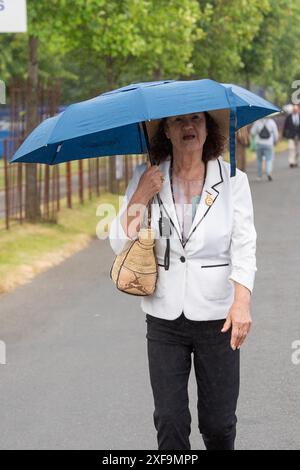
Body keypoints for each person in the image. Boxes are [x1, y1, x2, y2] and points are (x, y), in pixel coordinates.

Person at [109, 112, 257, 451]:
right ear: (166, 131)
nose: (188, 127)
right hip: (164, 317)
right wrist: (140, 196)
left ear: (209, 129)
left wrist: (242, 302)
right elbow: (118, 242)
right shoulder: (146, 175)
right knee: (170, 421)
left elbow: (245, 246)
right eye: (178, 121)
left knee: (219, 425)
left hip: (219, 318)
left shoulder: (233, 180)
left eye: (196, 120)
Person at [250, 117, 279, 181]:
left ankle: (259, 176)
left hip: (259, 144)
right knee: (269, 159)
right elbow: (276, 133)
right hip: (269, 144)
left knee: (259, 160)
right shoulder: (272, 122)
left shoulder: (257, 122)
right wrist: (276, 141)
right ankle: (268, 173)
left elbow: (252, 132)